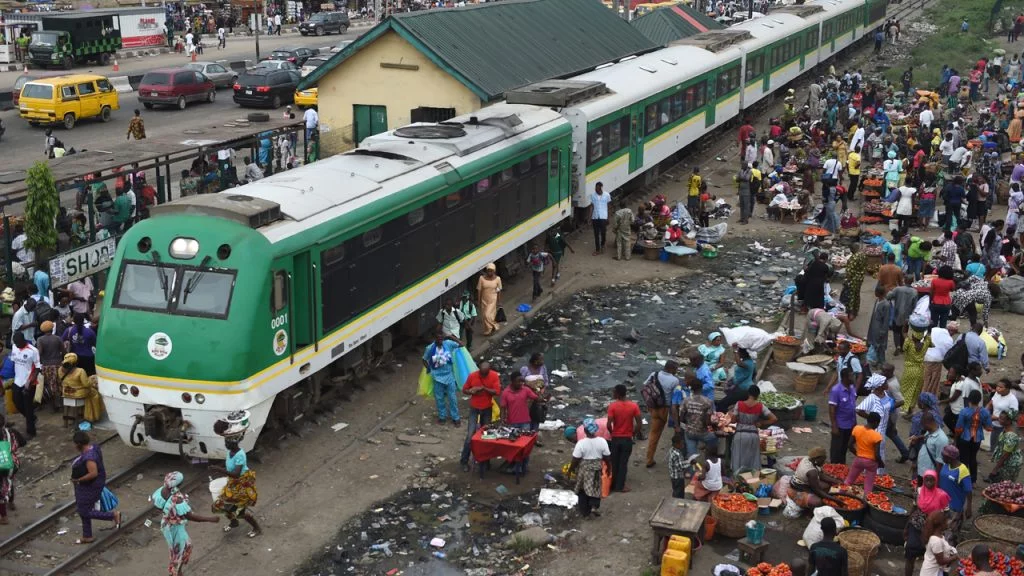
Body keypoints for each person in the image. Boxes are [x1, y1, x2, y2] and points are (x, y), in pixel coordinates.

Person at [153, 471, 219, 576]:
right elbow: (191, 516)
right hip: (175, 528)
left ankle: (177, 569)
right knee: (179, 552)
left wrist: (169, 512)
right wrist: (211, 519)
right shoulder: (177, 500)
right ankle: (176, 572)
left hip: (166, 524)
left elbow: (158, 506)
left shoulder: (160, 491)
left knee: (185, 546)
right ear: (179, 484)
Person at [71, 431, 121, 543]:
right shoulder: (93, 448)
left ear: (79, 444)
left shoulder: (89, 457)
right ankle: (87, 536)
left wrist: (78, 480)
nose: (73, 446)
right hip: (89, 485)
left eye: (74, 444)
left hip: (91, 486)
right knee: (83, 508)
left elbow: (93, 473)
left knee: (84, 511)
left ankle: (113, 515)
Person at [210, 433, 261, 537]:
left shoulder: (240, 454)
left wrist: (218, 469)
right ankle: (234, 522)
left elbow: (236, 474)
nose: (226, 445)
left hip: (242, 484)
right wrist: (221, 470)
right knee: (223, 506)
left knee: (240, 511)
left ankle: (257, 528)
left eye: (228, 443)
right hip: (232, 483)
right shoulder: (230, 452)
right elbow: (230, 468)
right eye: (226, 442)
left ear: (235, 443)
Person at [904, 470, 951, 576]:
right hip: (916, 526)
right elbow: (914, 508)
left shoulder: (941, 495)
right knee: (910, 555)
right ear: (923, 480)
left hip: (933, 529)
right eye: (927, 480)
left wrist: (943, 528)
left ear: (936, 481)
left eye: (932, 480)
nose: (929, 482)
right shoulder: (919, 491)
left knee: (932, 558)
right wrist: (907, 526)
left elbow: (947, 514)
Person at [459, 362, 500, 471]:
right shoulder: (472, 375)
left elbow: (497, 391)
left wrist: (483, 388)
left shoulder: (494, 376)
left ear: (489, 371)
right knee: (470, 436)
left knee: (486, 436)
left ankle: (485, 461)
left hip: (487, 409)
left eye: (485, 374)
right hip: (474, 409)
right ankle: (464, 461)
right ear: (479, 370)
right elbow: (464, 389)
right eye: (481, 374)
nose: (482, 376)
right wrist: (471, 391)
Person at [567, 418, 610, 518]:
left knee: (583, 491)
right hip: (596, 469)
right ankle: (594, 506)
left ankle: (585, 513)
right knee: (595, 488)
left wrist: (571, 469)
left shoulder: (581, 443)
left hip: (584, 470)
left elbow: (575, 459)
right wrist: (609, 468)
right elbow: (607, 457)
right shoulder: (602, 441)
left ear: (585, 430)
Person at [730, 385, 777, 473]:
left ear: (748, 394)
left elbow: (733, 420)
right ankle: (752, 480)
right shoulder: (760, 406)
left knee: (738, 459)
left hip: (740, 435)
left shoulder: (739, 404)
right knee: (752, 460)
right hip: (753, 436)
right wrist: (761, 422)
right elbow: (774, 418)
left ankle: (738, 480)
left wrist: (733, 415)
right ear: (758, 395)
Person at [606, 384, 642, 492]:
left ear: (617, 393)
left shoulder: (612, 406)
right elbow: (639, 424)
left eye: (614, 392)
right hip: (627, 439)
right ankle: (620, 486)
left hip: (616, 438)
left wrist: (612, 432)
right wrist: (633, 434)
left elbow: (608, 424)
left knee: (614, 462)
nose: (613, 394)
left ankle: (612, 484)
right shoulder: (633, 406)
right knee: (623, 463)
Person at [422, 328, 462, 426]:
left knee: (452, 398)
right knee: (439, 398)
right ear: (435, 338)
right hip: (437, 377)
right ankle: (442, 416)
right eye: (438, 339)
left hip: (449, 376)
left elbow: (461, 345)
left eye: (442, 338)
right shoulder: (430, 348)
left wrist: (451, 337)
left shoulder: (448, 343)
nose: (440, 341)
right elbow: (424, 359)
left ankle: (455, 417)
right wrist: (428, 368)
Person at [644, 361, 679, 468]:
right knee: (663, 433)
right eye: (676, 369)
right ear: (672, 369)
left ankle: (649, 458)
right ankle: (675, 458)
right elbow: (675, 397)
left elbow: (645, 386)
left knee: (654, 433)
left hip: (653, 407)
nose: (677, 371)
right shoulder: (675, 380)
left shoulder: (654, 374)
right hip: (664, 409)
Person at [954, 389, 991, 482]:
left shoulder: (964, 411)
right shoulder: (985, 412)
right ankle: (973, 479)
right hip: (977, 438)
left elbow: (958, 428)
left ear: (969, 399)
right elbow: (988, 427)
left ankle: (963, 479)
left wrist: (956, 439)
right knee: (973, 458)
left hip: (964, 438)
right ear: (979, 400)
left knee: (963, 459)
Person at [10, 332, 40, 439]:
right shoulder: (14, 347)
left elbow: (37, 368)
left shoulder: (33, 351)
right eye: (15, 343)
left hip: (28, 383)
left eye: (18, 343)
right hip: (17, 381)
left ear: (23, 341)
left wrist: (30, 381)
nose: (17, 345)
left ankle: (31, 431)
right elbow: (14, 362)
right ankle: (31, 417)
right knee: (16, 402)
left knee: (28, 407)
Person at [937, 444, 973, 535]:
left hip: (954, 508)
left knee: (950, 533)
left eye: (943, 456)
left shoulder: (962, 470)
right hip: (941, 504)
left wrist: (969, 507)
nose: (942, 457)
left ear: (950, 458)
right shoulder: (946, 464)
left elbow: (968, 490)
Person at [845, 412, 885, 493]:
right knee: (868, 485)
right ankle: (866, 501)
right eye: (878, 423)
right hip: (871, 462)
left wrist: (857, 454)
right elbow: (877, 454)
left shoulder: (857, 428)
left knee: (849, 480)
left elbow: (849, 445)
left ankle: (840, 494)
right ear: (876, 423)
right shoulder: (877, 436)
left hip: (859, 459)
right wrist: (881, 463)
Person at [59, 353, 104, 423]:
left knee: (89, 392)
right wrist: (91, 381)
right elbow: (86, 384)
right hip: (78, 393)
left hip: (65, 392)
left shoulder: (60, 370)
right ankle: (90, 417)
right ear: (76, 362)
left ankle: (66, 424)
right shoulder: (80, 371)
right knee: (95, 394)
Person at [681, 376, 716, 457]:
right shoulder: (708, 402)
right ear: (701, 387)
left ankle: (692, 467)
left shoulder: (686, 400)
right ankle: (709, 459)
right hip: (703, 433)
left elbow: (682, 418)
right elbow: (707, 422)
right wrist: (714, 427)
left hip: (689, 432)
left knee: (692, 456)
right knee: (714, 438)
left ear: (691, 388)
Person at [943, 361, 982, 433]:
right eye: (979, 370)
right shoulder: (962, 380)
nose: (981, 372)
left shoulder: (966, 383)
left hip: (960, 410)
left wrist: (968, 413)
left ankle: (957, 436)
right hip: (957, 409)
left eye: (951, 372)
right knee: (949, 421)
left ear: (957, 374)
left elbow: (964, 399)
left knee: (959, 427)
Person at [829, 367, 859, 463]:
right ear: (845, 378)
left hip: (850, 425)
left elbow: (852, 407)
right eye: (851, 376)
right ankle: (833, 467)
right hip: (840, 425)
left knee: (844, 449)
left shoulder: (851, 388)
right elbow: (832, 409)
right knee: (836, 449)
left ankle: (841, 467)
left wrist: (855, 423)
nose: (854, 378)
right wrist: (834, 426)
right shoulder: (836, 390)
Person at [0, 414, 24, 525]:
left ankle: (4, 517)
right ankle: (11, 502)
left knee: (1, 486)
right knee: (9, 480)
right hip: (11, 463)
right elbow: (23, 442)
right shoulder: (11, 432)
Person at [985, 409, 1021, 484]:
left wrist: (995, 469)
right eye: (999, 417)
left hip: (1011, 464)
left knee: (1005, 486)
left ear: (1008, 421)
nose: (999, 419)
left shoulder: (1011, 436)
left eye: (1002, 419)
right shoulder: (1005, 430)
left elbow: (1005, 455)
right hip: (1005, 462)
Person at [922, 322, 957, 396]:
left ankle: (923, 393)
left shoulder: (936, 329)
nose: (954, 334)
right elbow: (948, 354)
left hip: (926, 357)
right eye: (955, 332)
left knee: (926, 377)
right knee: (933, 380)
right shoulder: (949, 340)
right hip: (936, 360)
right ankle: (928, 395)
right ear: (952, 331)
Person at [919, 510, 957, 576]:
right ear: (941, 524)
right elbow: (941, 561)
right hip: (931, 573)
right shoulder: (936, 541)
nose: (948, 523)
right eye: (946, 521)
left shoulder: (939, 536)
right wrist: (955, 557)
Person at [986, 379, 1019, 455]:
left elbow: (1013, 415)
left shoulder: (1012, 400)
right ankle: (993, 452)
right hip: (995, 423)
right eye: (997, 386)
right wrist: (986, 410)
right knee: (993, 439)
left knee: (1003, 443)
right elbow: (991, 403)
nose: (998, 388)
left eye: (1001, 387)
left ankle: (1001, 456)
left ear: (1007, 389)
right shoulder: (997, 394)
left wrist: (997, 418)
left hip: (1005, 426)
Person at [717, 346, 754, 412]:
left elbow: (738, 363)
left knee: (721, 404)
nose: (738, 354)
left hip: (743, 389)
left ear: (743, 353)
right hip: (740, 388)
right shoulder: (747, 361)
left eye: (739, 352)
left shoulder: (749, 363)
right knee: (725, 403)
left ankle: (724, 419)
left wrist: (735, 350)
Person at [36, 321, 62, 411]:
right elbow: (64, 350)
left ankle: (52, 405)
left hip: (46, 366)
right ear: (52, 329)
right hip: (58, 365)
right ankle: (59, 404)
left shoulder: (40, 340)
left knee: (49, 386)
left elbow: (39, 353)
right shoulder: (57, 338)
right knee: (58, 384)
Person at [520, 352, 549, 433]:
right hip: (527, 397)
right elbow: (521, 382)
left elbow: (546, 381)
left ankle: (534, 434)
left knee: (537, 415)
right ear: (535, 361)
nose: (543, 361)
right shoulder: (525, 369)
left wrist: (543, 390)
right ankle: (526, 433)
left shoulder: (543, 368)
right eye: (541, 360)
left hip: (539, 396)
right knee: (527, 415)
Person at [866, 285, 892, 367]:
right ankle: (876, 360)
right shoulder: (877, 301)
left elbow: (886, 320)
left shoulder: (886, 305)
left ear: (878, 293)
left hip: (880, 328)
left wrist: (883, 331)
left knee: (880, 345)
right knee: (874, 343)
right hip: (874, 326)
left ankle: (882, 362)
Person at [476, 264, 502, 336]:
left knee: (487, 315)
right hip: (484, 300)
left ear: (494, 271)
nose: (490, 273)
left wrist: (499, 301)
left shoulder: (498, 279)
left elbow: (499, 290)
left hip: (493, 299)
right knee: (485, 316)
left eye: (491, 271)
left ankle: (493, 326)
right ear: (486, 271)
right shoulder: (481, 278)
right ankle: (489, 328)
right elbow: (479, 290)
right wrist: (479, 301)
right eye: (488, 271)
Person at [843, 244, 867, 318]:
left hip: (853, 279)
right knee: (857, 294)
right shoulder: (863, 255)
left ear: (852, 249)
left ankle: (850, 313)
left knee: (851, 295)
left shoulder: (854, 257)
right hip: (860, 278)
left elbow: (850, 271)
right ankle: (856, 310)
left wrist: (846, 280)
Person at [590, 182, 611, 255]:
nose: (596, 189)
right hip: (595, 217)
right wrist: (590, 217)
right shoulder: (592, 195)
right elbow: (592, 206)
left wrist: (608, 217)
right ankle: (597, 250)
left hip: (603, 217)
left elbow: (608, 206)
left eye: (598, 188)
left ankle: (603, 244)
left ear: (601, 188)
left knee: (603, 233)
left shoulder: (607, 195)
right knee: (596, 234)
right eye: (595, 188)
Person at [668, 433, 687, 498]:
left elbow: (679, 463)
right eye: (681, 444)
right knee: (679, 492)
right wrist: (690, 463)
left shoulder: (672, 450)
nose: (682, 445)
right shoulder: (677, 454)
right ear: (676, 444)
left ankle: (675, 501)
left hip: (673, 476)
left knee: (675, 490)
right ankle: (677, 503)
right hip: (678, 477)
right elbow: (681, 467)